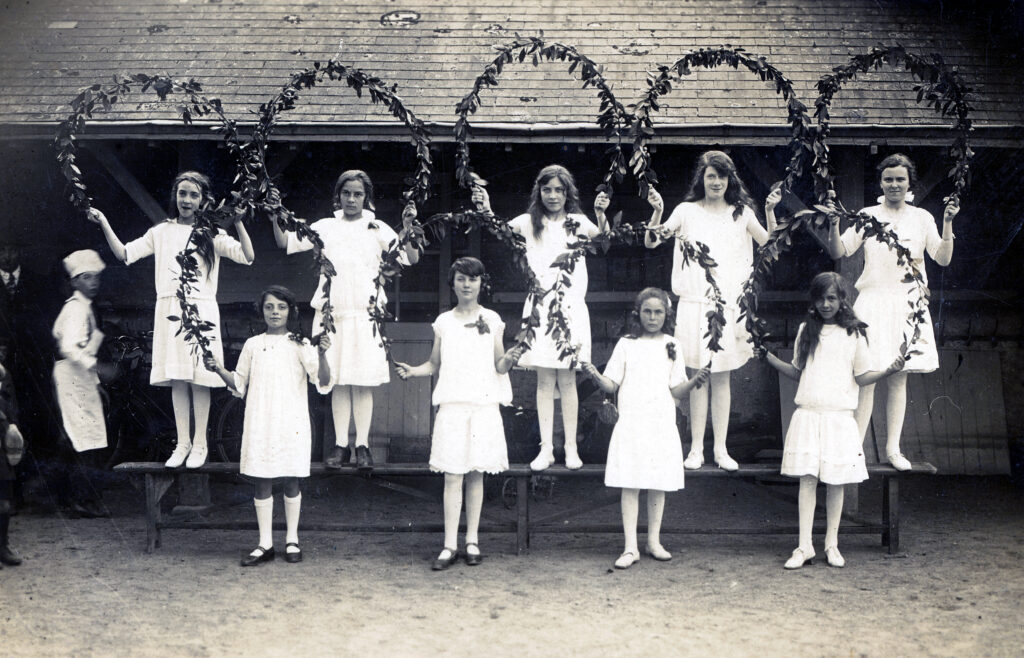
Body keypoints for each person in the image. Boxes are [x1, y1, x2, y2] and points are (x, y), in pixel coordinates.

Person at [89, 171, 255, 468]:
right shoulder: (162, 232)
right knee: (179, 377)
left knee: (200, 378)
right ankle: (183, 443)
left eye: (193, 195)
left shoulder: (211, 232)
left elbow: (247, 256)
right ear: (175, 197)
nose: (187, 200)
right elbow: (125, 253)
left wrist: (239, 220)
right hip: (171, 312)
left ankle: (201, 443)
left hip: (201, 311)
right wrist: (103, 220)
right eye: (182, 194)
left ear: (203, 200)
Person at [271, 170, 419, 472]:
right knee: (337, 380)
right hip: (332, 314)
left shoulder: (377, 228)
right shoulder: (324, 227)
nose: (351, 199)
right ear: (338, 195)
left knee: (362, 382)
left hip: (366, 315)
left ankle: (362, 446)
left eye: (358, 194)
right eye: (346, 193)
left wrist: (408, 228)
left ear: (366, 197)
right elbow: (285, 241)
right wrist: (275, 213)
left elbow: (411, 258)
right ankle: (340, 445)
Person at [759, 272, 905, 568]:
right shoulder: (806, 331)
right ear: (813, 301)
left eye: (832, 298)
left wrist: (889, 371)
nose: (826, 304)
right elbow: (798, 372)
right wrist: (769, 358)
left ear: (842, 301)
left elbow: (863, 378)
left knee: (836, 482)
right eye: (820, 298)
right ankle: (803, 546)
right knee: (808, 481)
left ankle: (832, 544)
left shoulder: (854, 334)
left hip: (839, 419)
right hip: (809, 416)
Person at [645, 150, 778, 471]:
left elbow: (770, 244)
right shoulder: (686, 211)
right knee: (697, 378)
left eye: (721, 176)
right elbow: (652, 241)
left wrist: (771, 210)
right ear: (701, 179)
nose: (716, 181)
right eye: (710, 176)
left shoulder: (742, 213)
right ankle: (695, 450)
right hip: (694, 306)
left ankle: (720, 449)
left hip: (728, 307)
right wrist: (657, 211)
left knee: (722, 380)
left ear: (730, 179)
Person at [827, 153, 959, 471]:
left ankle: (893, 450)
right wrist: (833, 224)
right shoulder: (867, 216)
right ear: (881, 182)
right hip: (872, 303)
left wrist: (948, 222)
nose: (894, 184)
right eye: (889, 179)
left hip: (907, 304)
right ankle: (855, 451)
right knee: (867, 379)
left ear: (909, 182)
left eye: (900, 179)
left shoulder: (923, 218)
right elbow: (839, 250)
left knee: (898, 379)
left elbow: (942, 259)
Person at [472, 165, 607, 471]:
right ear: (539, 192)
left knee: (568, 379)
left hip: (570, 307)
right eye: (547, 190)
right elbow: (500, 231)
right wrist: (487, 206)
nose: (553, 195)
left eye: (559, 190)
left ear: (567, 192)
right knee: (545, 380)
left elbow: (604, 240)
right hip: (540, 308)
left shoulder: (578, 222)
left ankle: (570, 447)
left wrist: (600, 214)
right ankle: (546, 448)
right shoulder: (528, 221)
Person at [395, 257, 524, 570]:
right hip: (452, 404)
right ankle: (449, 544)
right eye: (461, 279)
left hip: (482, 405)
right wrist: (413, 371)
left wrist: (511, 357)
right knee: (453, 475)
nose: (467, 285)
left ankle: (472, 540)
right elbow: (434, 364)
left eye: (473, 279)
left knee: (475, 473)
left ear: (481, 283)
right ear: (452, 284)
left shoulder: (492, 319)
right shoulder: (444, 322)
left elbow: (499, 365)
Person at [581, 288, 709, 569]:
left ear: (667, 314)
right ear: (638, 313)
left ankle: (653, 541)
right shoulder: (626, 344)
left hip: (661, 423)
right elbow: (612, 384)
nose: (653, 317)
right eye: (648, 312)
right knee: (631, 484)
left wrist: (695, 380)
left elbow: (678, 388)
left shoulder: (673, 344)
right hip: (632, 423)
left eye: (659, 312)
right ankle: (630, 547)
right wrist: (594, 374)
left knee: (657, 483)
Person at [205, 285, 331, 566]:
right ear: (261, 311)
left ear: (291, 311)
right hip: (261, 419)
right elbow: (239, 383)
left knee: (290, 478)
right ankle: (264, 543)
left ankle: (292, 539)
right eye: (269, 307)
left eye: (281, 307)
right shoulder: (253, 345)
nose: (275, 312)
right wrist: (217, 369)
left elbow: (321, 381)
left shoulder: (300, 343)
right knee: (262, 479)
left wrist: (322, 354)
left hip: (291, 421)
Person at [51, 249, 110, 518]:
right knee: (82, 438)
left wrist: (95, 380)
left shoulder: (86, 308)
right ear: (75, 282)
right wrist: (98, 369)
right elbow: (68, 348)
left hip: (82, 378)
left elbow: (86, 349)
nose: (93, 283)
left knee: (84, 438)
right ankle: (80, 500)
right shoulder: (74, 309)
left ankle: (72, 498)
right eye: (87, 278)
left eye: (96, 277)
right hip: (70, 377)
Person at [0, 341, 25, 567]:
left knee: (4, 504)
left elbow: (11, 406)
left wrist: (12, 426)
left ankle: (3, 546)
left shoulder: (4, 377)